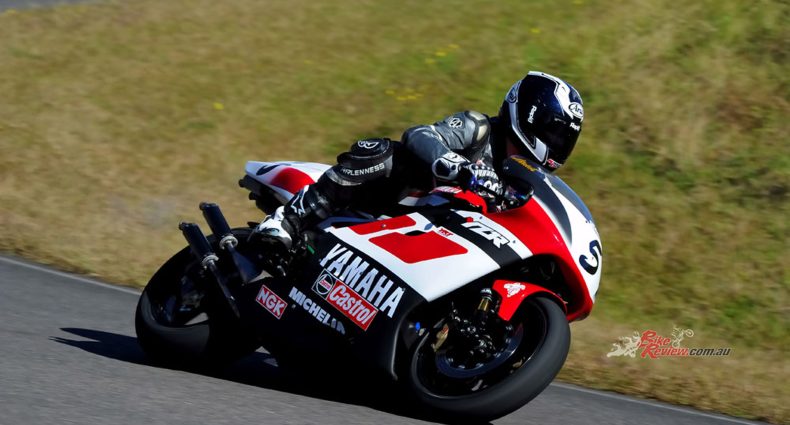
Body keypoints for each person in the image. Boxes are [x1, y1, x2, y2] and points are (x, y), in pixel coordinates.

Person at [256, 71, 584, 250]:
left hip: (435, 241)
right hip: (393, 204)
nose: (556, 145)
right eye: (554, 134)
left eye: (563, 140)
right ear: (530, 115)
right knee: (384, 152)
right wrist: (457, 167)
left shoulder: (525, 180)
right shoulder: (478, 128)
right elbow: (419, 134)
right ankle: (288, 220)